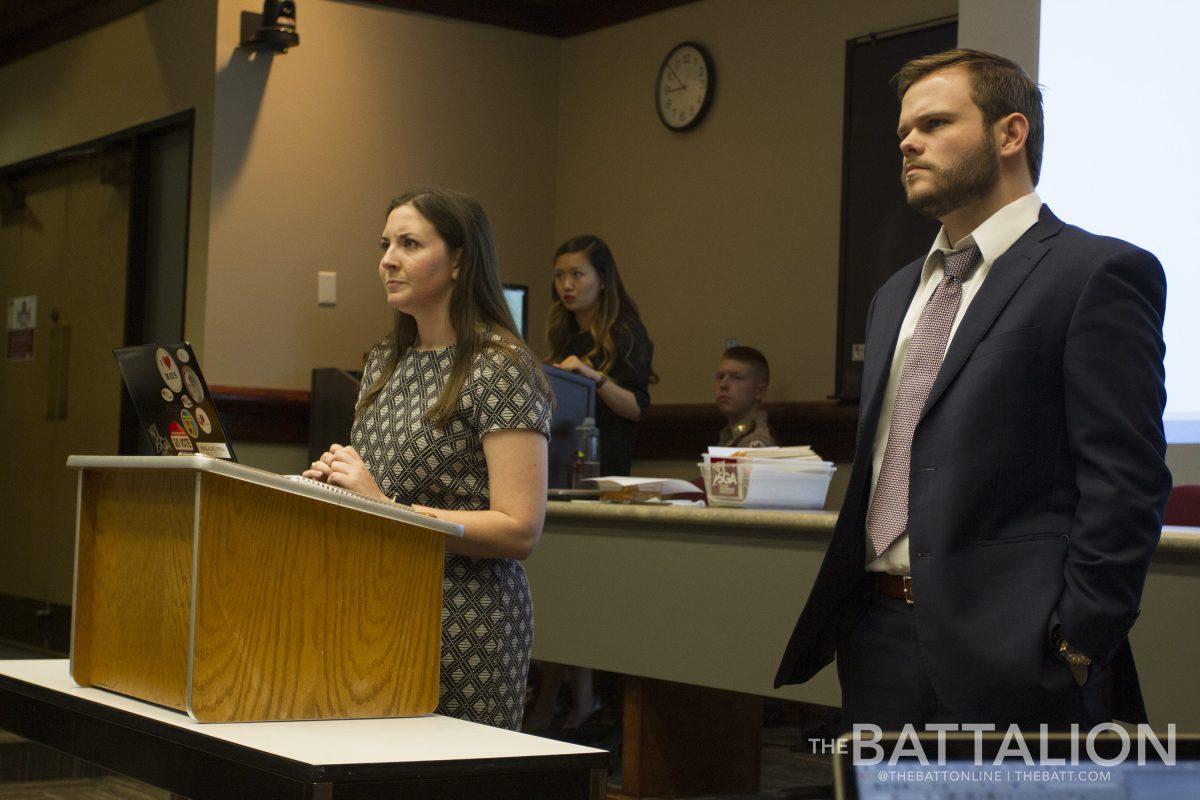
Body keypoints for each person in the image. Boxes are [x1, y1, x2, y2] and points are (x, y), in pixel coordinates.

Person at [775, 49, 1170, 730]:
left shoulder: (1096, 274)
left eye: (933, 123)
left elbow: (1126, 484)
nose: (907, 141)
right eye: (904, 129)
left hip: (1019, 661)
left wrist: (1075, 644)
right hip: (878, 642)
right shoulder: (898, 293)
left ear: (1010, 134)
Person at [304, 187, 552, 731]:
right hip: (376, 605)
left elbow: (519, 530)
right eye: (385, 244)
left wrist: (383, 505)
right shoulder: (384, 363)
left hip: (466, 621)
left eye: (409, 244)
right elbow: (374, 493)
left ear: (460, 260)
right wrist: (334, 486)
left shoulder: (501, 365)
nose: (387, 259)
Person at [547, 234, 655, 477]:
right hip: (564, 464)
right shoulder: (563, 334)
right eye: (559, 275)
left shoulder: (625, 332)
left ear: (603, 279)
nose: (566, 285)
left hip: (606, 470)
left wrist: (594, 378)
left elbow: (637, 408)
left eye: (576, 274)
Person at [716, 346, 776, 448]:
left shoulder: (756, 442)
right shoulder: (734, 432)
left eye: (736, 378)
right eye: (720, 377)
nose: (723, 385)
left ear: (759, 391)